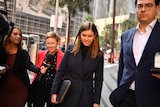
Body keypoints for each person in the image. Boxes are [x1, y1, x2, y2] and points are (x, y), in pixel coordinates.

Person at [109, 0, 160, 107]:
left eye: (148, 5)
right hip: (125, 97)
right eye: (140, 6)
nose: (143, 9)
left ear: (157, 7)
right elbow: (122, 69)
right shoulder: (126, 36)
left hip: (153, 98)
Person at [50, 21, 104, 107]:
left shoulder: (98, 55)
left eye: (90, 36)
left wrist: (96, 101)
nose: (86, 38)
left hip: (86, 96)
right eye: (84, 35)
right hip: (68, 93)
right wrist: (54, 91)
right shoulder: (70, 49)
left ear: (95, 36)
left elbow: (98, 80)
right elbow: (61, 71)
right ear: (79, 35)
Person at [0, 27, 46, 107]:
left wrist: (39, 70)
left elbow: (29, 65)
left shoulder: (22, 53)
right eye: (15, 34)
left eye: (20, 35)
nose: (18, 36)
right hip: (3, 88)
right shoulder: (2, 51)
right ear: (8, 35)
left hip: (20, 89)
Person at [32, 31, 64, 107]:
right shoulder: (41, 54)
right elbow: (37, 69)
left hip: (53, 88)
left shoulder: (63, 56)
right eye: (48, 43)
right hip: (40, 86)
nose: (50, 45)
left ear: (57, 43)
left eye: (53, 43)